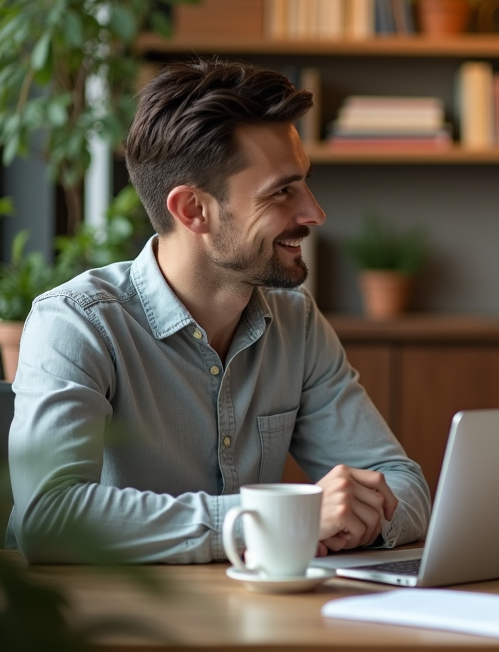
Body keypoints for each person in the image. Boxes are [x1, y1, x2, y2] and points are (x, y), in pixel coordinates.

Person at [7, 59, 430, 563]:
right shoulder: (77, 324)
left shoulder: (296, 323)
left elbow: (402, 484)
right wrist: (270, 523)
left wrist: (355, 521)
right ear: (193, 210)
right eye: (281, 191)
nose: (314, 213)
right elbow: (50, 518)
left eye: (305, 183)